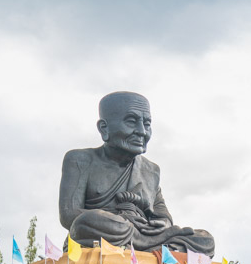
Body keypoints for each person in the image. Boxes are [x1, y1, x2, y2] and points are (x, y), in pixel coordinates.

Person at [58, 91, 215, 255]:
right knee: (89, 221)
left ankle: (151, 247)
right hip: (106, 232)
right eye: (131, 122)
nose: (142, 131)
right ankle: (153, 247)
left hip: (145, 233)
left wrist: (163, 224)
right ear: (104, 128)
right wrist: (125, 222)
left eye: (147, 124)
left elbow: (163, 216)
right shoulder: (80, 160)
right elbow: (69, 215)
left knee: (205, 240)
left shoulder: (151, 170)